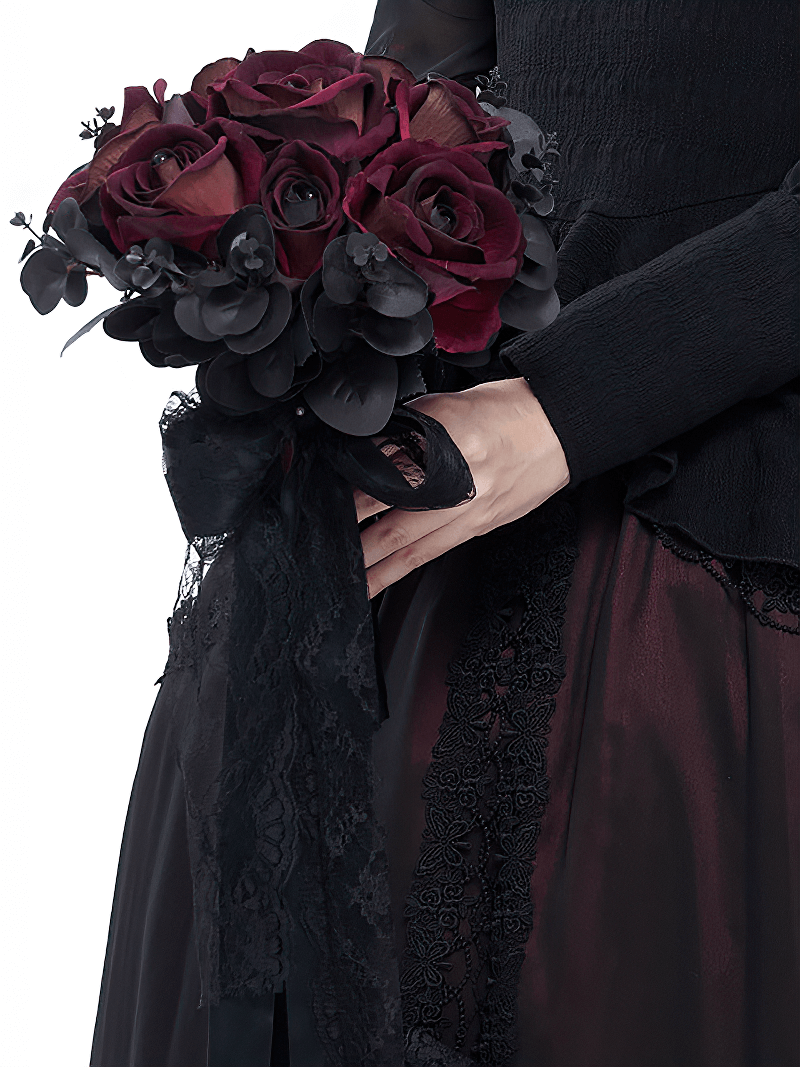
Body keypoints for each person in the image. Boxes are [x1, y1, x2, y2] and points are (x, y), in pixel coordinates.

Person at [89, 1, 799, 1065]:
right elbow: (416, 103)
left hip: (705, 555)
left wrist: (570, 403)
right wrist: (285, 271)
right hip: (422, 478)